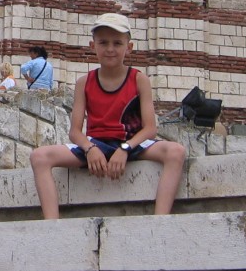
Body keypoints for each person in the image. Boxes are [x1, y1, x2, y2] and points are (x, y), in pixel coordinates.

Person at [30, 13, 185, 216]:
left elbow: (150, 129)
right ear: (92, 46)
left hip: (131, 143)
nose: (110, 49)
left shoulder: (139, 80)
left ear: (128, 47)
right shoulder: (84, 82)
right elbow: (75, 132)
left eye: (117, 43)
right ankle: (52, 225)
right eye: (103, 42)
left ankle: (160, 219)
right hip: (97, 144)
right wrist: (90, 148)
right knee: (39, 156)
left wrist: (125, 148)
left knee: (176, 152)